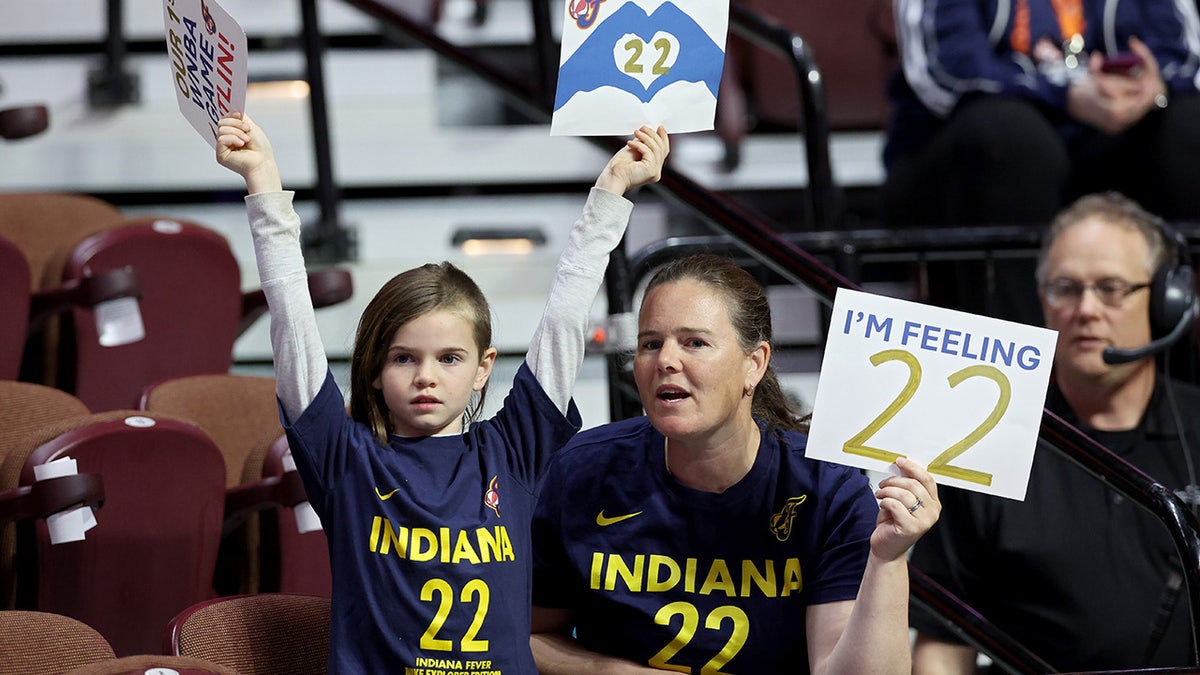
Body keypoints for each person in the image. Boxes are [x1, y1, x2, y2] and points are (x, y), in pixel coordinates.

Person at [214, 111, 669, 672]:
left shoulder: (515, 451)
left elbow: (565, 319)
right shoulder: (345, 458)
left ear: (483, 369)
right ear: (374, 371)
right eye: (404, 358)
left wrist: (611, 192)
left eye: (449, 358)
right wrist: (263, 182)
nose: (425, 376)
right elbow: (291, 323)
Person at [530, 253, 942, 673]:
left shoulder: (827, 489)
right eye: (651, 343)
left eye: (695, 342)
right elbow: (525, 638)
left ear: (755, 363)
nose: (666, 361)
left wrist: (888, 559)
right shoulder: (581, 470)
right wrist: (612, 672)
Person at [910, 192, 1200, 672]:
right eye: (1065, 288)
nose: (1086, 309)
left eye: (1111, 287)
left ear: (1168, 301)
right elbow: (943, 648)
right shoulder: (986, 442)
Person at [881, 0, 1200, 323]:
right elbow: (949, 72)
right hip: (970, 152)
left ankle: (1177, 353)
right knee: (1011, 138)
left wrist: (1153, 86)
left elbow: (1185, 57)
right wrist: (1067, 96)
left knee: (1188, 127)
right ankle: (1021, 360)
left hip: (1106, 139)